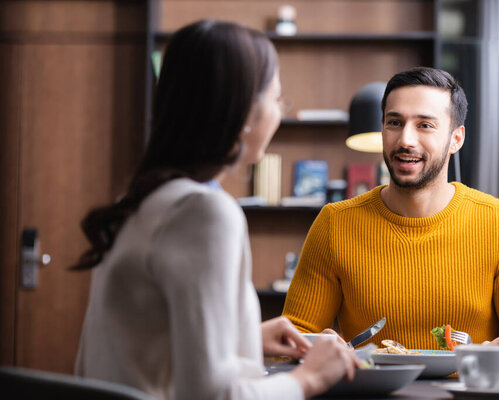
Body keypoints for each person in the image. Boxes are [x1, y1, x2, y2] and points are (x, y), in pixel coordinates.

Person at [73, 20, 358, 400]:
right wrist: (310, 378)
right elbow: (213, 396)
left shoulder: (142, 199)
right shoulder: (204, 212)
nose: (277, 113)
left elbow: (143, 343)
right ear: (243, 114)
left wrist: (248, 338)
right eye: (276, 100)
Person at [282, 67, 499, 377]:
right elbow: (290, 341)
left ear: (456, 139)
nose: (405, 140)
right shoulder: (334, 223)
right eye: (394, 123)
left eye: (425, 125)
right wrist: (311, 347)